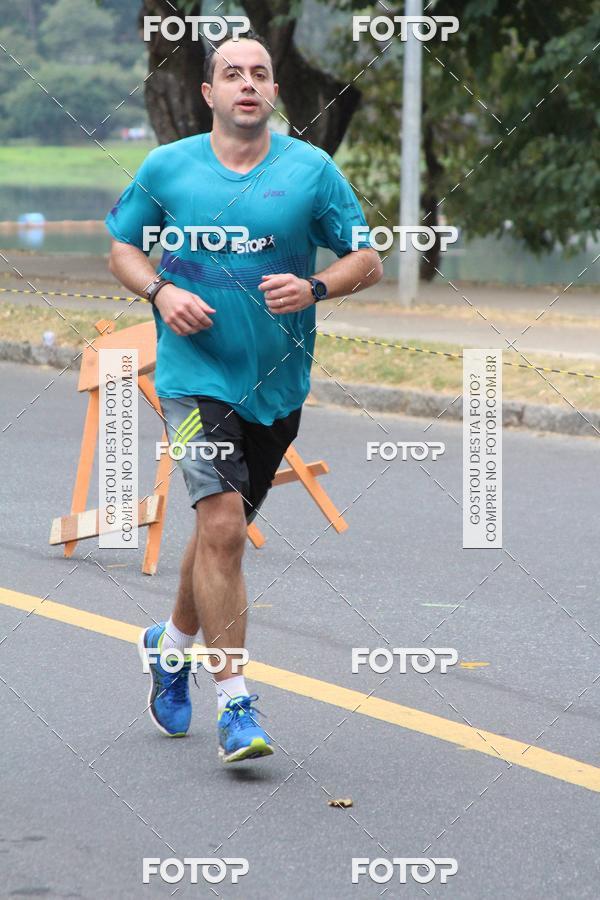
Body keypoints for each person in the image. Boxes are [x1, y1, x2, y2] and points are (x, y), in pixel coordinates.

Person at [105, 31, 383, 763]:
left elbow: (368, 258)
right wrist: (162, 292)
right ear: (209, 93)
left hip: (277, 384)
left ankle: (171, 646)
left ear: (274, 92)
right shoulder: (169, 166)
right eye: (233, 73)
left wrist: (316, 285)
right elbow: (124, 248)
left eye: (260, 73)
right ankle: (236, 707)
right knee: (225, 528)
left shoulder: (313, 172)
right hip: (194, 377)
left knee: (214, 536)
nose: (248, 84)